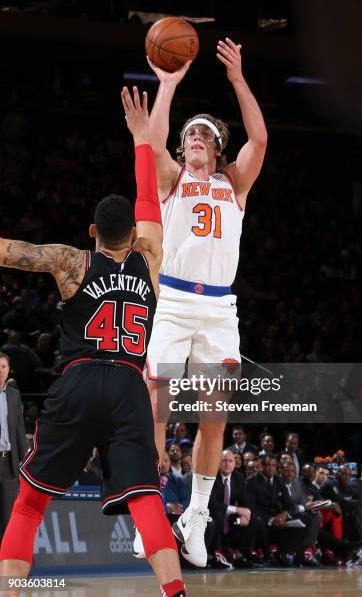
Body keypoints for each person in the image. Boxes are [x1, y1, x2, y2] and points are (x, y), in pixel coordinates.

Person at [0, 87, 186, 597]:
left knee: (31, 502)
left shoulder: (72, 262)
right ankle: (176, 593)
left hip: (79, 380)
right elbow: (149, 200)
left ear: (92, 232)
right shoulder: (150, 259)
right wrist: (141, 139)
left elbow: (13, 252)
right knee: (147, 499)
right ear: (135, 234)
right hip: (128, 385)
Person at [140, 36, 267, 567]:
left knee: (214, 415)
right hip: (173, 299)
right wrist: (167, 84)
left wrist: (238, 79)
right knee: (156, 404)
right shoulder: (171, 181)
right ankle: (146, 508)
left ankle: (194, 514)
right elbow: (151, 140)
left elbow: (259, 139)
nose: (193, 138)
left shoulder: (234, 183)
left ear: (215, 148)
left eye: (203, 135)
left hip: (218, 309)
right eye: (188, 134)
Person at [0, 353, 27, 542]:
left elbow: (19, 430)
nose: (0, 371)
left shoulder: (13, 395)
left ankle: (4, 564)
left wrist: (24, 464)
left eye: (3, 367)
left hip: (9, 463)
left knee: (8, 516)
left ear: (8, 370)